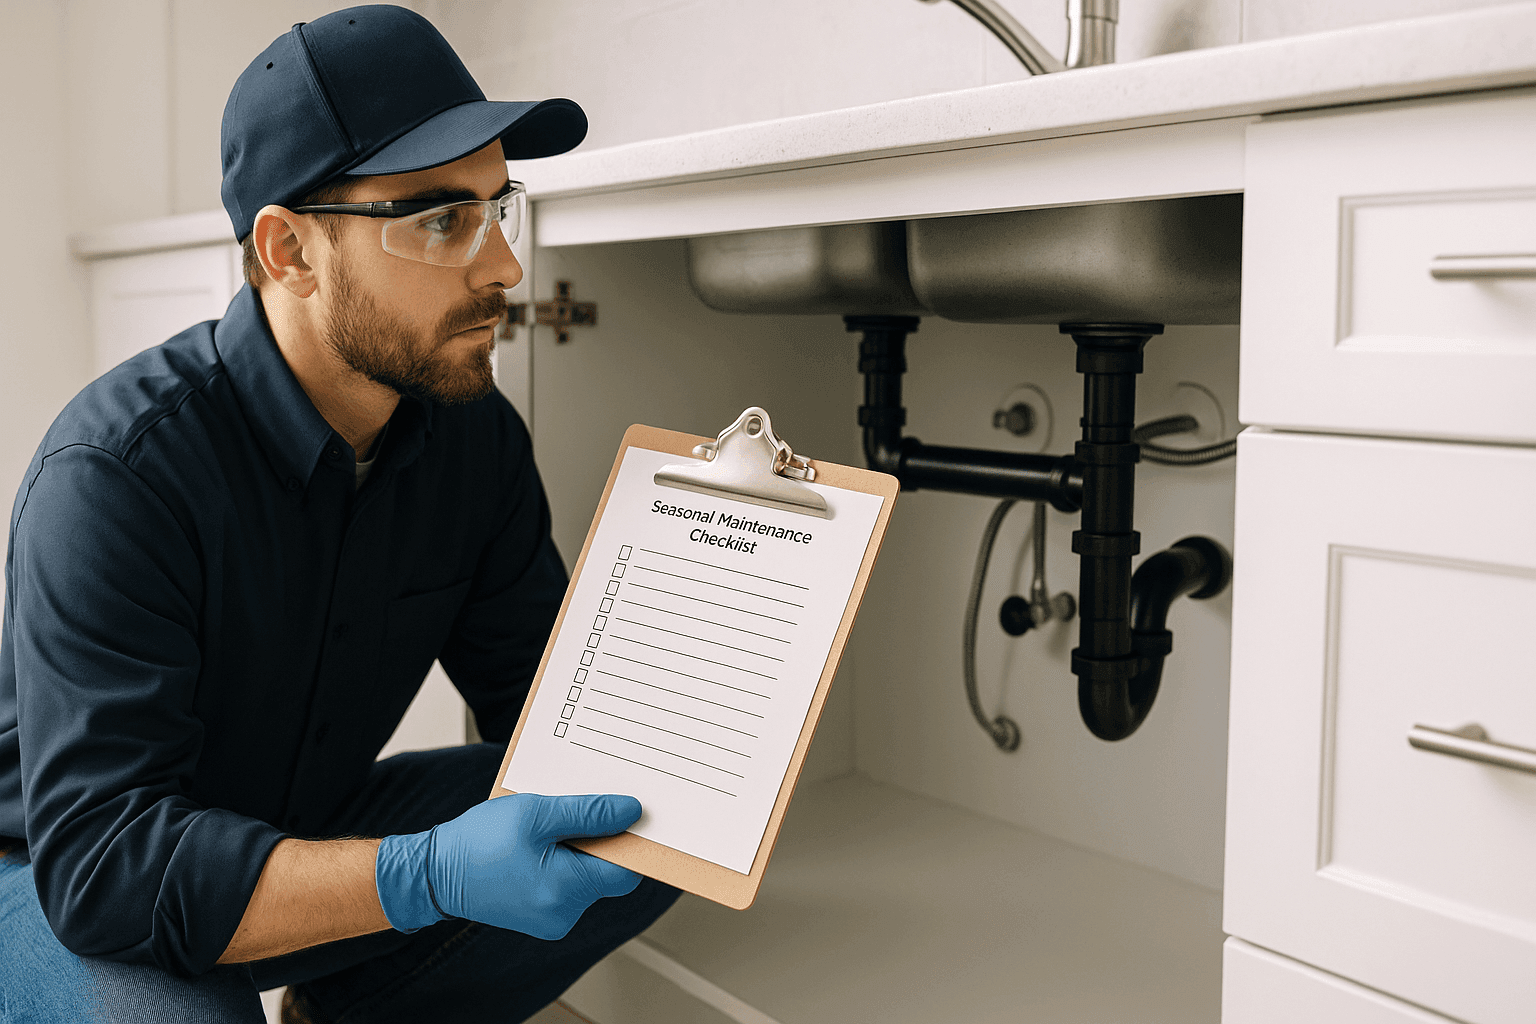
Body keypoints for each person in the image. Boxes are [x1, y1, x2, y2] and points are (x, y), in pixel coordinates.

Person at [0, 6, 678, 1021]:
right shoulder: (116, 475)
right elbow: (107, 867)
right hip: (57, 873)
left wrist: (725, 629)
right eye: (442, 220)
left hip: (298, 815)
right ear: (289, 251)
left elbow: (549, 716)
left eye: (501, 209)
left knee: (647, 819)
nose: (502, 268)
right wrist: (423, 876)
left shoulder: (471, 438)